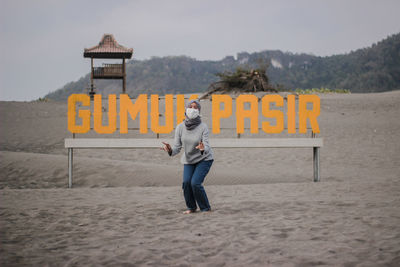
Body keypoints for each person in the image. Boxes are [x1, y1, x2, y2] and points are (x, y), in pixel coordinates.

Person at [160, 99, 214, 214]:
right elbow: (177, 148)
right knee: (186, 182)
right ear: (186, 109)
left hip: (204, 158)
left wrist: (203, 148)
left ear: (199, 112)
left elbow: (207, 146)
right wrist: (170, 150)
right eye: (190, 107)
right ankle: (191, 207)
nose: (192, 109)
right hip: (189, 159)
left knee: (195, 183)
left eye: (195, 107)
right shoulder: (180, 127)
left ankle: (205, 208)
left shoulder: (203, 127)